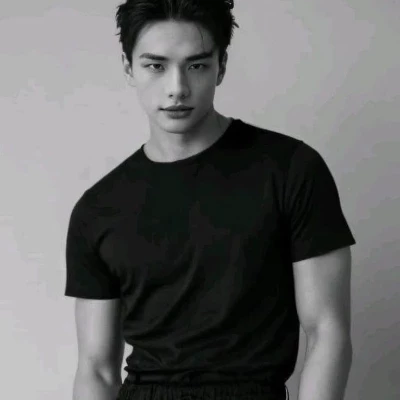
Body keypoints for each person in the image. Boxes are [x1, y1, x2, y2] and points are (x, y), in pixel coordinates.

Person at [64, 1, 356, 399]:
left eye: (197, 65)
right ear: (129, 68)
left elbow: (328, 331)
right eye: (155, 66)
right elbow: (96, 370)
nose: (177, 88)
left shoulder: (291, 170)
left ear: (221, 66)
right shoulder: (98, 208)